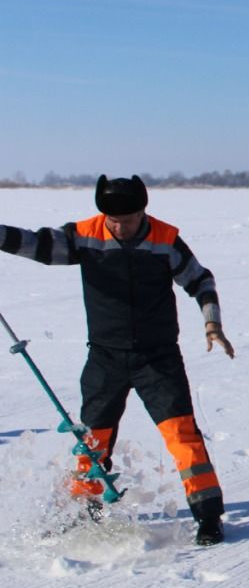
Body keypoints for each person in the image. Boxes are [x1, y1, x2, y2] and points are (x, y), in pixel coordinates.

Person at [1, 175, 235, 545]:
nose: (118, 226)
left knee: (182, 436)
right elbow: (38, 244)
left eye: (126, 219)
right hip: (105, 357)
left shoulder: (165, 240)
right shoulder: (86, 235)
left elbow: (200, 281)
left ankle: (208, 516)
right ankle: (84, 509)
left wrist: (212, 323)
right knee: (92, 441)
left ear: (143, 210)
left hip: (157, 358)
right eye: (112, 219)